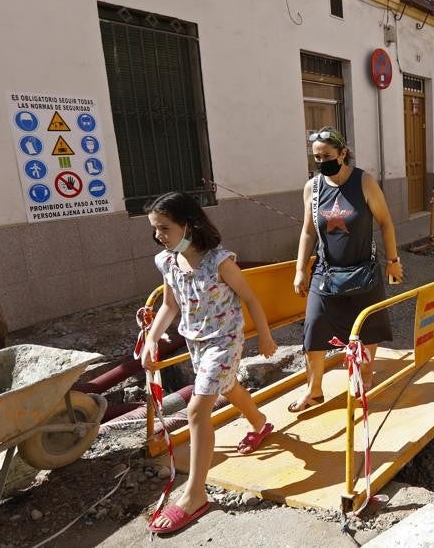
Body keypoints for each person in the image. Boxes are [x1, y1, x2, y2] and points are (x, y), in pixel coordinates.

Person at [139, 191, 277, 535]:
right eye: (155, 229)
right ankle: (260, 423)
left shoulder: (219, 261)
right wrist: (153, 338)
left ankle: (194, 494)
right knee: (227, 387)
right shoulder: (168, 261)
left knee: (197, 409)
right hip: (195, 341)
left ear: (189, 224)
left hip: (225, 341)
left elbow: (249, 297)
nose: (159, 235)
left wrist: (264, 336)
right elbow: (170, 305)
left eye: (164, 228)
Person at [291, 127, 404, 411]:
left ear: (343, 153)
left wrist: (393, 261)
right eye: (316, 157)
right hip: (326, 272)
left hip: (363, 270)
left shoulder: (363, 181)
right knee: (314, 327)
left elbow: (386, 222)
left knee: (368, 328)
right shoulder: (313, 188)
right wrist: (300, 270)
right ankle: (314, 390)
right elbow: (307, 232)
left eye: (327, 156)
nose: (321, 162)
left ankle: (365, 377)